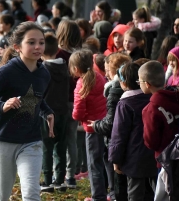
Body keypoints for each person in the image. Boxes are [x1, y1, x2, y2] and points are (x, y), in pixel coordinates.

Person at [0, 21, 54, 201]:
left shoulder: (44, 74)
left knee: (32, 192)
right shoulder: (6, 72)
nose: (38, 46)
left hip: (31, 141)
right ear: (17, 46)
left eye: (41, 42)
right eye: (31, 42)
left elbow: (38, 101)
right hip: (5, 141)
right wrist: (2, 106)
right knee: (2, 194)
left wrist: (48, 113)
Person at [109, 62, 157, 201]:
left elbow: (119, 134)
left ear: (123, 83)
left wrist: (115, 159)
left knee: (135, 193)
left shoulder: (125, 104)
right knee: (153, 192)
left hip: (133, 159)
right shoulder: (151, 99)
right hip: (153, 154)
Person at [88, 52, 131, 201]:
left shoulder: (115, 90)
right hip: (130, 143)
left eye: (107, 69)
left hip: (116, 142)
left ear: (115, 70)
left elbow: (111, 123)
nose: (105, 73)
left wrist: (96, 125)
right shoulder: (128, 88)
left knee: (118, 185)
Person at [70, 49, 107, 201]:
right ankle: (110, 192)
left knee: (94, 163)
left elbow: (78, 110)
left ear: (76, 69)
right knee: (106, 161)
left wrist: (77, 118)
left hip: (92, 128)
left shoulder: (81, 84)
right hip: (105, 124)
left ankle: (98, 196)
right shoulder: (99, 77)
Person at [138, 61, 179, 168]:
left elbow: (151, 141)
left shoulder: (151, 109)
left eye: (139, 81)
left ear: (147, 84)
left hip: (165, 159)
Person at [40, 33, 69, 191]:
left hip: (47, 112)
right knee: (60, 146)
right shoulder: (64, 67)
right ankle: (60, 179)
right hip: (62, 111)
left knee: (46, 146)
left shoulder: (43, 70)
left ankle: (47, 180)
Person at [55, 20, 82, 189]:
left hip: (61, 102)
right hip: (76, 100)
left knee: (59, 139)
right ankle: (71, 175)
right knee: (71, 139)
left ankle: (58, 173)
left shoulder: (59, 55)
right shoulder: (79, 55)